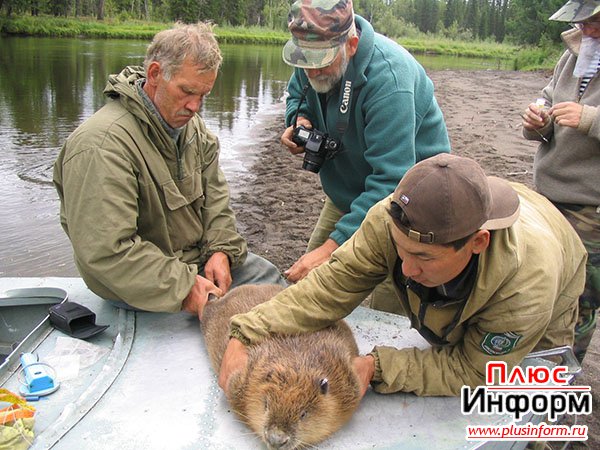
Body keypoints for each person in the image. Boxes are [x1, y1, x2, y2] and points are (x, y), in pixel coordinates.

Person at [215, 153, 586, 397]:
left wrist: (380, 365)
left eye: (423, 258)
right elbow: (331, 286)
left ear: (477, 242)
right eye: (400, 251)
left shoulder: (527, 288)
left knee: (536, 393)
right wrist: (248, 330)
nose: (406, 271)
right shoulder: (389, 219)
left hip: (556, 260)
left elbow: (474, 369)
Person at [53, 22, 285, 314]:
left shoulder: (193, 129)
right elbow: (107, 253)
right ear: (154, 74)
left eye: (204, 95)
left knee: (272, 283)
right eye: (187, 91)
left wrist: (221, 251)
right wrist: (185, 287)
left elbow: (216, 201)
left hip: (194, 263)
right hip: (136, 284)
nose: (195, 107)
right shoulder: (101, 145)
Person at [279, 0, 451, 298]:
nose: (311, 69)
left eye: (321, 61)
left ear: (352, 43)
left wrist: (332, 248)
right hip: (350, 194)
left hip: (409, 205)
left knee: (390, 306)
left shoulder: (389, 78)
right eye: (304, 60)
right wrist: (300, 119)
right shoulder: (311, 52)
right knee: (310, 287)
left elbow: (390, 181)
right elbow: (297, 93)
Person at [522, 0, 600, 362]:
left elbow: (583, 117)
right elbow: (550, 99)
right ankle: (537, 372)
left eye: (595, 20)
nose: (587, 29)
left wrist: (589, 118)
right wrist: (537, 122)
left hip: (589, 209)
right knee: (539, 288)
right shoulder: (572, 55)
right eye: (582, 20)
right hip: (548, 199)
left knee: (578, 300)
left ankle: (562, 385)